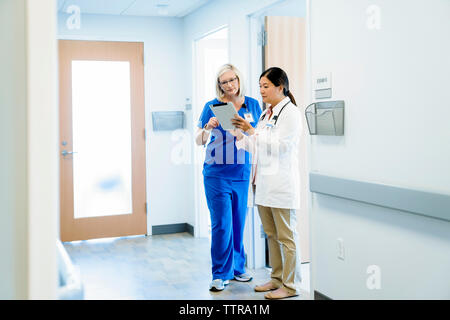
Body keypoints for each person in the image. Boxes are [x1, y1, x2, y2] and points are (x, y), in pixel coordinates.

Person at [229, 67, 302, 299]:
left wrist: (253, 133)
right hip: (262, 185)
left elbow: (282, 146)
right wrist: (241, 135)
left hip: (281, 185)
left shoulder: (291, 113)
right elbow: (257, 146)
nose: (261, 90)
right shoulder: (265, 114)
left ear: (280, 87)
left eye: (266, 86)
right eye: (260, 86)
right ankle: (277, 279)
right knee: (271, 234)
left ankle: (290, 286)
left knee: (286, 237)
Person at [195, 64, 262, 292]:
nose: (229, 85)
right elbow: (198, 139)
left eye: (232, 80)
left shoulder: (252, 104)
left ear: (239, 79)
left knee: (238, 222)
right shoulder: (212, 106)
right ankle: (220, 273)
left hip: (241, 173)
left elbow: (258, 138)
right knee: (222, 224)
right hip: (216, 174)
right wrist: (207, 127)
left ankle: (237, 268)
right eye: (224, 82)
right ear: (219, 85)